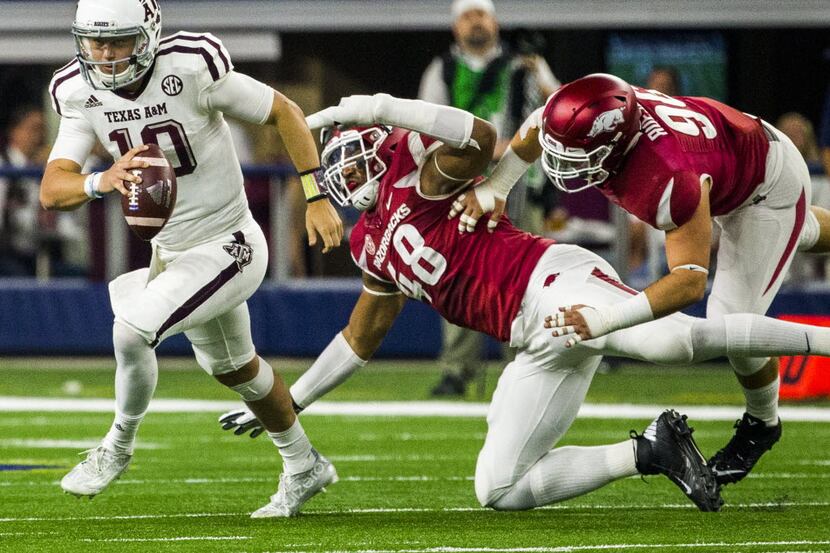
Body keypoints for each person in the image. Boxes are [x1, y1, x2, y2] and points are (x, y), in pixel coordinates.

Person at [219, 93, 830, 513]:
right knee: (500, 488)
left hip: (552, 283)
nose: (351, 172)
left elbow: (480, 135)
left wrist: (376, 106)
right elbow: (360, 337)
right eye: (342, 165)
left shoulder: (426, 178)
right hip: (533, 338)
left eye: (362, 152)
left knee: (666, 339)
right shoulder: (367, 241)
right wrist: (289, 400)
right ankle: (651, 450)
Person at [449, 72, 830, 487]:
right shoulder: (581, 110)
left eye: (574, 153)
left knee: (730, 321)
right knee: (796, 232)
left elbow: (688, 282)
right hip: (729, 156)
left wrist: (608, 318)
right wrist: (498, 185)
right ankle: (792, 226)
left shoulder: (669, 175)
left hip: (764, 187)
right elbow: (536, 128)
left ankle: (762, 422)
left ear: (616, 145)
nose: (560, 162)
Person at [40, 0, 343, 517]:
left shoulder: (191, 65)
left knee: (131, 331)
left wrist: (316, 197)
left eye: (119, 41)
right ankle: (304, 464)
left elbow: (283, 111)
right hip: (173, 252)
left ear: (149, 34)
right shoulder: (77, 89)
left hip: (230, 242)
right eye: (96, 41)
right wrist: (100, 180)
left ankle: (117, 444)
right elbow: (52, 187)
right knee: (235, 369)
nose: (107, 54)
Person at [418, 0, 561, 397]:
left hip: (520, 181)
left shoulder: (524, 63)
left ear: (495, 23)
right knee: (455, 275)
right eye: (467, 16)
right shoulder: (443, 69)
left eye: (481, 14)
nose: (475, 22)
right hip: (462, 186)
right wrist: (477, 150)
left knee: (524, 274)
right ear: (455, 27)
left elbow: (559, 106)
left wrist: (537, 71)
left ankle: (523, 363)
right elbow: (427, 124)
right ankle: (457, 368)